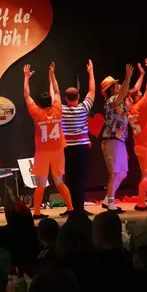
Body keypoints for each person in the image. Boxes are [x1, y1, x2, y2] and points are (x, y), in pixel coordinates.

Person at [23, 62, 74, 218]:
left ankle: (37, 212)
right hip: (58, 150)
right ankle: (70, 208)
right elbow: (57, 91)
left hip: (42, 152)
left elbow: (26, 95)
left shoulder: (37, 113)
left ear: (39, 103)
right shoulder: (57, 109)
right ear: (50, 101)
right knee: (59, 181)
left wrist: (26, 77)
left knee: (41, 183)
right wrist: (52, 75)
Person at [61, 59, 96, 215]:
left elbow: (54, 95)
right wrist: (91, 72)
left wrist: (52, 77)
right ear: (78, 96)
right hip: (82, 148)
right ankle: (79, 208)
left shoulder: (61, 110)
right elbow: (92, 91)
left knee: (70, 178)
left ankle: (72, 208)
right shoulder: (84, 108)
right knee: (81, 178)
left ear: (66, 98)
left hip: (67, 148)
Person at [100, 64, 134, 213]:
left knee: (123, 172)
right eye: (116, 84)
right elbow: (123, 92)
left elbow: (127, 96)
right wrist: (128, 76)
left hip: (120, 140)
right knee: (114, 172)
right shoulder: (111, 100)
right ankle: (111, 204)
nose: (119, 86)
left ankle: (107, 200)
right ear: (112, 88)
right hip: (111, 139)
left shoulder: (120, 102)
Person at [127, 58, 147, 211]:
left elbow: (134, 90)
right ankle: (140, 202)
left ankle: (141, 199)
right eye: (139, 93)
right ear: (137, 97)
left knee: (145, 174)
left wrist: (142, 75)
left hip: (139, 145)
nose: (140, 92)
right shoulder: (141, 106)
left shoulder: (131, 108)